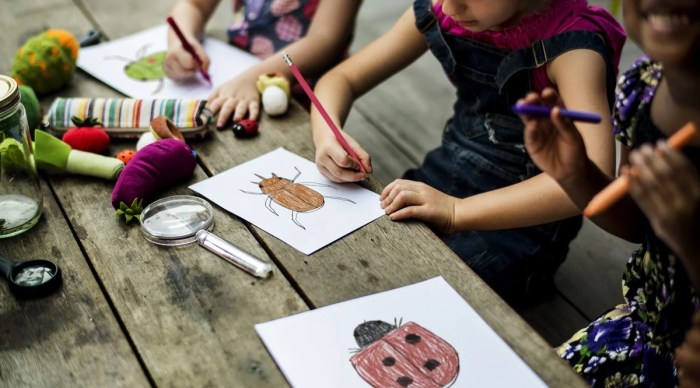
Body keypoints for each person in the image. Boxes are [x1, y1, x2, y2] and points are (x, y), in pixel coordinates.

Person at [310, 0, 626, 303]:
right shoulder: (446, 12)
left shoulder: (573, 50)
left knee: (419, 290)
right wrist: (328, 135)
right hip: (441, 181)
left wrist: (457, 212)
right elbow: (342, 78)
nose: (449, 7)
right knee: (350, 250)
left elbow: (590, 183)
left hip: (520, 229)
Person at [519, 0, 700, 383]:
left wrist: (691, 238)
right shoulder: (644, 88)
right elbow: (637, 223)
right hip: (649, 325)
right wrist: (577, 175)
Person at [164, 0, 362, 127]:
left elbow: (325, 41)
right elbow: (194, 5)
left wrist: (253, 79)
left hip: (300, 96)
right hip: (234, 73)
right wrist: (181, 41)